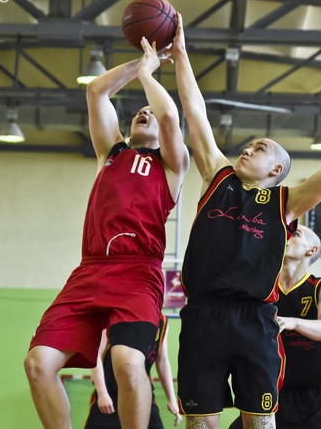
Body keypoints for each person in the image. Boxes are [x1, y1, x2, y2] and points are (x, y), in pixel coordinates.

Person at [171, 12, 321, 429]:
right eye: (249, 145)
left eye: (260, 147)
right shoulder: (217, 177)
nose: (248, 149)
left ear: (276, 170)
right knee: (200, 422)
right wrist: (180, 53)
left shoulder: (286, 202)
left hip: (254, 319)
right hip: (202, 315)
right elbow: (195, 112)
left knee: (260, 421)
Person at [24, 37, 190, 429]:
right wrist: (144, 60)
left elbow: (169, 117)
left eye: (149, 110)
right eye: (139, 111)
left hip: (138, 273)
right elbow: (97, 90)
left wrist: (149, 75)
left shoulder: (172, 165)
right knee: (38, 363)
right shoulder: (111, 152)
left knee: (128, 363)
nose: (144, 112)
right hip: (90, 270)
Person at [228, 225, 321, 429]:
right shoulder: (261, 289)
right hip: (267, 393)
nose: (286, 236)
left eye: (295, 234)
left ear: (311, 250)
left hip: (310, 401)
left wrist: (293, 322)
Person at [85, 314, 182, 428]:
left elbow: (162, 362)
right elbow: (96, 356)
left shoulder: (162, 321)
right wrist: (102, 393)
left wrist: (172, 399)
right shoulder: (114, 315)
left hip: (142, 397)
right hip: (110, 396)